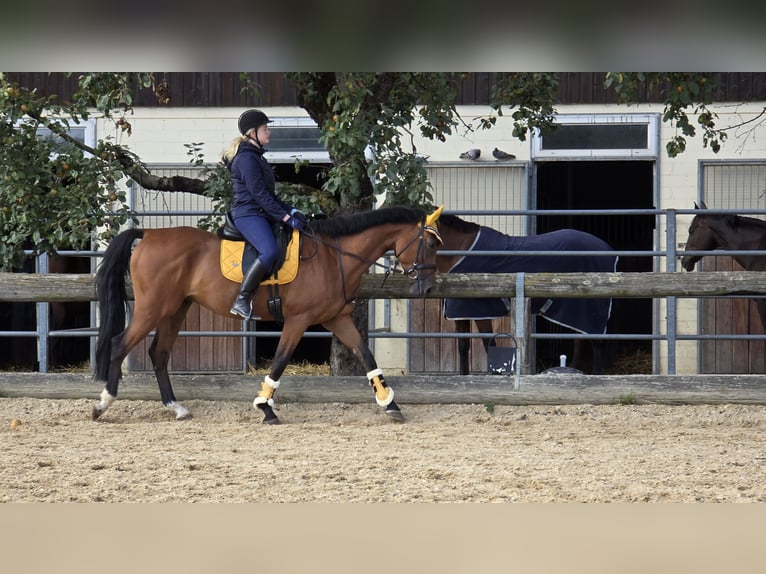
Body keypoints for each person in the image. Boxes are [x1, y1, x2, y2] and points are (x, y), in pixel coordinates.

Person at [222, 109, 306, 320]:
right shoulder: (246, 160)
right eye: (265, 129)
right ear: (252, 133)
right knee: (269, 251)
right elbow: (259, 194)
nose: (269, 133)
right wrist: (285, 218)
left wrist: (292, 210)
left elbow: (269, 195)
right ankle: (242, 300)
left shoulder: (256, 157)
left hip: (260, 211)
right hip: (248, 214)